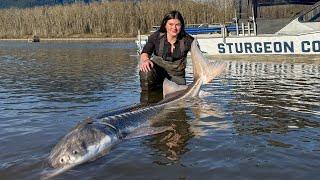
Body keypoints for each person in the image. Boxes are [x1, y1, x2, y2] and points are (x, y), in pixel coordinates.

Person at [139, 10, 194, 103]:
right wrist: (145, 60)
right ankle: (146, 102)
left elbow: (199, 59)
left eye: (177, 24)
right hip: (158, 73)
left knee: (178, 103)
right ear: (165, 25)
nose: (174, 28)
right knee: (145, 71)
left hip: (176, 76)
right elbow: (145, 52)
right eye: (171, 24)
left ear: (182, 26)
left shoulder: (188, 40)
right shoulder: (156, 36)